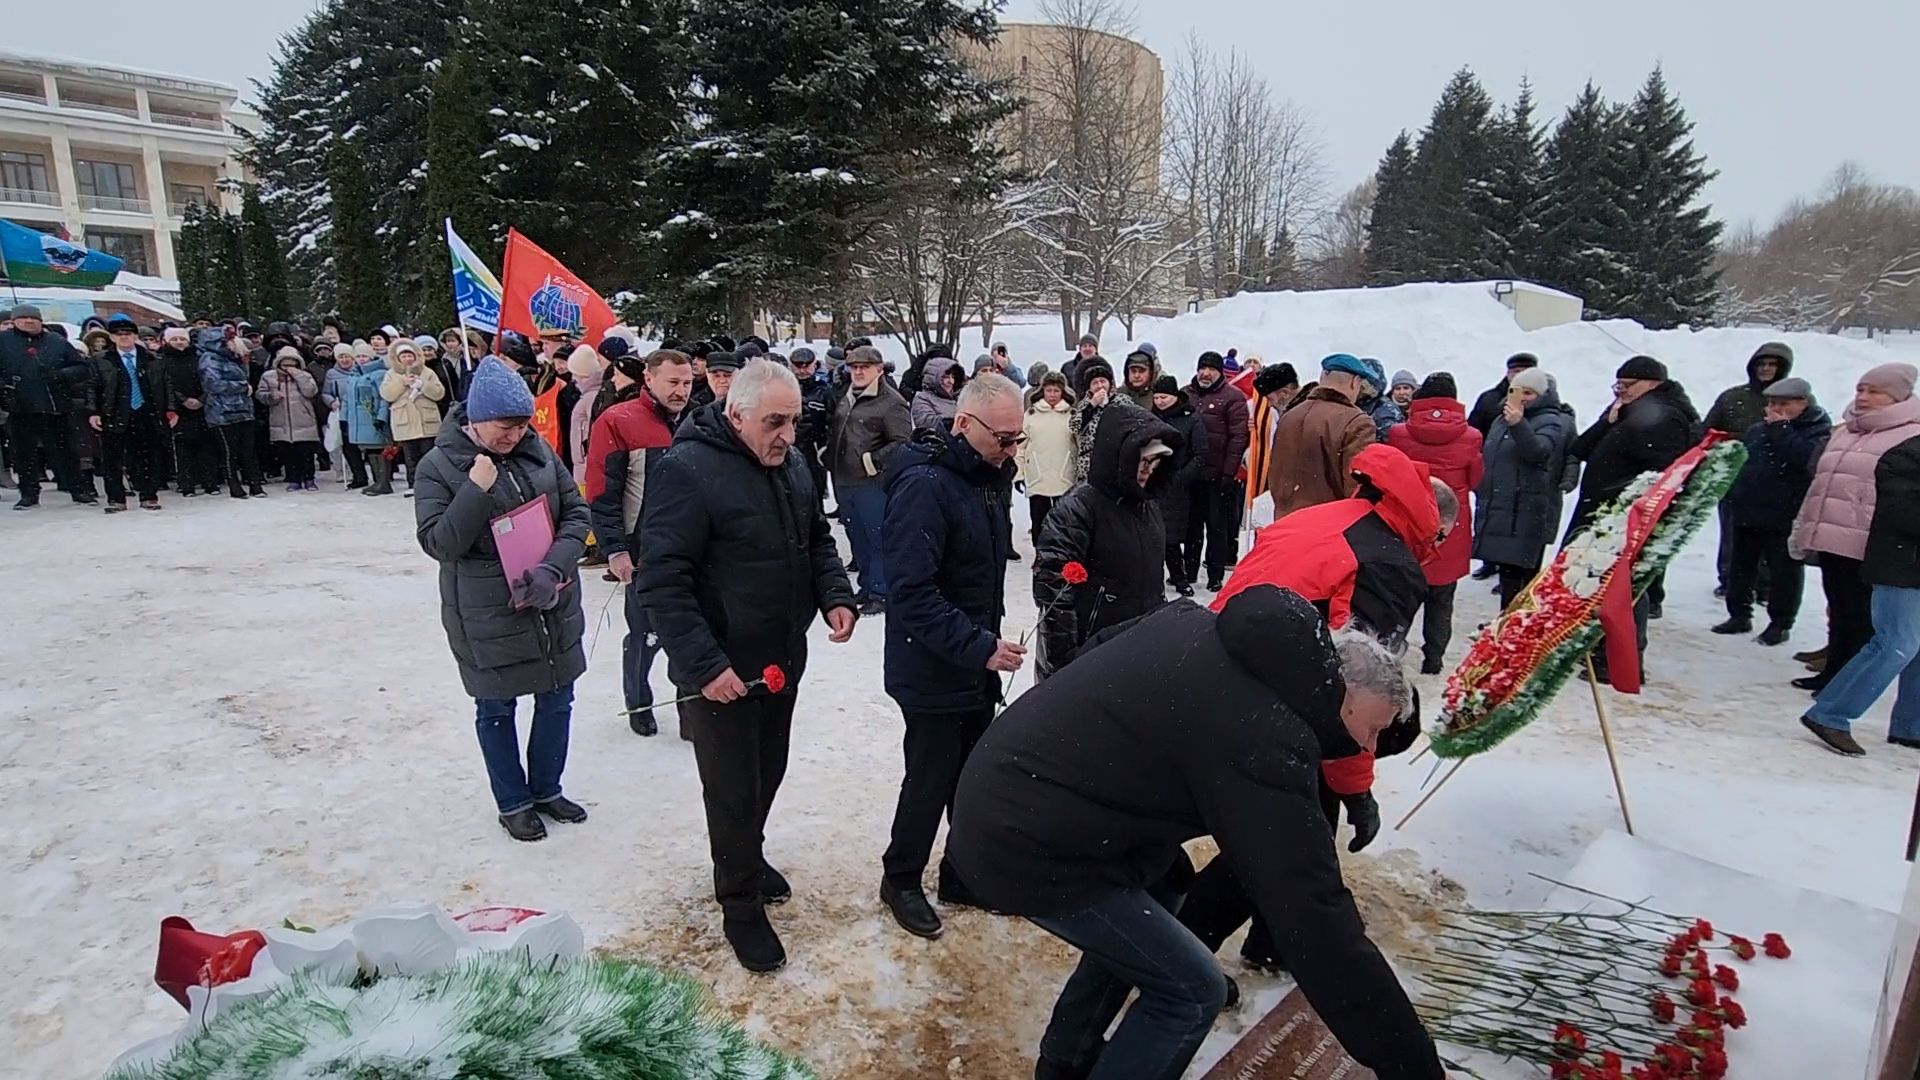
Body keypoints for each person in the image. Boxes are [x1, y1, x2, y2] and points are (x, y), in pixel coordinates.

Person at [945, 585, 1446, 1080]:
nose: (1365, 747)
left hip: (1011, 791)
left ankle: (1066, 1059)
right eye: (1374, 730)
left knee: (1165, 884)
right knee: (1191, 991)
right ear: (1346, 694)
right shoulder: (1266, 733)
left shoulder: (1200, 627)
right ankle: (1073, 1058)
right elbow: (1312, 910)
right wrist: (1411, 1064)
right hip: (1023, 841)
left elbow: (1095, 662)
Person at [1186, 444, 1443, 975]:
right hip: (1267, 698)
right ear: (1430, 527)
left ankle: (1269, 939)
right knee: (1283, 843)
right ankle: (1180, 958)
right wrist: (1358, 788)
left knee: (1287, 837)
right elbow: (1357, 693)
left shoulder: (1326, 516)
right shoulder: (1388, 565)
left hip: (1218, 666)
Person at [638, 360, 859, 973]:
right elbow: (662, 580)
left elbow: (816, 539)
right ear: (735, 415)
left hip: (781, 656)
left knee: (768, 771)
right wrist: (705, 666)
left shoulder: (789, 464)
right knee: (733, 789)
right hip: (723, 669)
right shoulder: (687, 470)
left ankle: (748, 856)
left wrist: (835, 595)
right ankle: (739, 903)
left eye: (793, 421)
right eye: (774, 422)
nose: (787, 433)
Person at [878, 374, 1028, 939]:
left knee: (971, 775)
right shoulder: (924, 485)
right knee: (931, 776)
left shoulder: (984, 475)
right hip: (932, 664)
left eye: (1019, 439)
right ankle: (901, 877)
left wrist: (983, 644)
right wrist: (978, 645)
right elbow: (912, 593)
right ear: (963, 423)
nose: (1011, 450)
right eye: (1003, 438)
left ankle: (962, 872)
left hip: (972, 659)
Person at [414, 358, 590, 841]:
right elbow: (439, 544)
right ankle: (512, 801)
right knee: (497, 708)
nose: (514, 436)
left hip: (550, 600)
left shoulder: (538, 452)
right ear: (475, 418)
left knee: (558, 697)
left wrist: (554, 567)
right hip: (487, 611)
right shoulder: (439, 466)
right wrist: (475, 489)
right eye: (504, 427)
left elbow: (576, 513)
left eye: (521, 425)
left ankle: (547, 788)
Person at [1565, 356, 1702, 682]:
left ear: (1653, 383)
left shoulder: (1665, 417)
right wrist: (1608, 422)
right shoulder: (1628, 411)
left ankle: (1621, 660)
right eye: (1618, 385)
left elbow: (1659, 475)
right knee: (1604, 587)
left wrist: (1625, 503)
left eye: (1629, 385)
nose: (1621, 391)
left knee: (1624, 590)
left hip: (1626, 517)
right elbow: (1580, 447)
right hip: (1604, 512)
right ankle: (1601, 651)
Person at [1797, 402, 1920, 757]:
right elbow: (1902, 514)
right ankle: (1830, 714)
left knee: (1915, 647)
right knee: (1896, 643)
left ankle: (1911, 726)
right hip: (1900, 564)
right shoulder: (1905, 457)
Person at [587, 348, 693, 737]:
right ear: (648, 378)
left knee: (691, 629)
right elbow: (602, 491)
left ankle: (690, 707)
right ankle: (639, 700)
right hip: (644, 547)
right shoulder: (619, 420)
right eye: (673, 382)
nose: (681, 390)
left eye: (686, 382)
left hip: (692, 545)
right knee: (645, 632)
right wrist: (613, 548)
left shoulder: (697, 420)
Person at [1034, 404, 1181, 677]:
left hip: (1133, 646)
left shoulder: (1147, 507)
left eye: (1156, 463)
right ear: (1119, 455)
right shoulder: (1078, 509)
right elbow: (1054, 593)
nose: (1149, 471)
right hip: (1087, 652)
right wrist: (1064, 663)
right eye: (1143, 461)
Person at [1714, 378, 1831, 645]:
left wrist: (1781, 429)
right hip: (1748, 509)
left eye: (1784, 404)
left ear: (1803, 403)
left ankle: (1781, 623)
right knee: (1741, 565)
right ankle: (1739, 614)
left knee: (1783, 572)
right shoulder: (1758, 429)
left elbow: (1805, 459)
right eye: (1772, 403)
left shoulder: (1817, 430)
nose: (1775, 409)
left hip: (1784, 514)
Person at [1387, 373, 1482, 673]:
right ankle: (1434, 658)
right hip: (1449, 524)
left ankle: (1390, 650)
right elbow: (1476, 479)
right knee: (1442, 598)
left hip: (1411, 519)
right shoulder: (1472, 436)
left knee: (1402, 594)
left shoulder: (1399, 433)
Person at [1472, 367, 1576, 612]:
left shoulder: (1551, 420)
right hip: (1503, 505)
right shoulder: (1502, 418)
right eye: (1517, 391)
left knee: (1520, 574)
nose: (1522, 397)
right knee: (1508, 571)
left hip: (1526, 509)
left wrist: (1519, 425)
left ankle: (1515, 626)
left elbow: (1539, 453)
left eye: (1529, 392)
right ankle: (1507, 622)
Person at [1706, 343, 1794, 596]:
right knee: (1733, 531)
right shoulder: (1733, 397)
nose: (1766, 369)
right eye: (1761, 364)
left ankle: (1766, 584)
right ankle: (1731, 580)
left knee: (1771, 537)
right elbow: (1708, 430)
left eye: (1772, 365)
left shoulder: (1795, 400)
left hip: (1776, 479)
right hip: (1736, 475)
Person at [831, 345, 913, 616]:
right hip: (844, 479)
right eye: (853, 367)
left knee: (877, 537)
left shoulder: (892, 402)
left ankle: (881, 591)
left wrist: (873, 461)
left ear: (879, 370)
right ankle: (867, 585)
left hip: (874, 483)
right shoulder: (848, 395)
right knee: (857, 537)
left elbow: (903, 443)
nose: (858, 372)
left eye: (864, 367)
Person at [0, 303, 92, 508]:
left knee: (67, 451)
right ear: (14, 321)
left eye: (33, 318)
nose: (29, 321)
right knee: (24, 455)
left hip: (55, 407)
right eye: (23, 318)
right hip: (21, 408)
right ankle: (29, 494)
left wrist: (61, 376)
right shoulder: (3, 341)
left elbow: (82, 367)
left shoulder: (57, 341)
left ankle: (78, 489)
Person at [1267, 353, 1376, 521]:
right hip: (1328, 527)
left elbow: (1276, 472)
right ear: (1355, 381)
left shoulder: (1290, 415)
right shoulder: (1356, 422)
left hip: (1285, 523)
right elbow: (1357, 487)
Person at [1185, 350, 1251, 591]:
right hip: (1191, 474)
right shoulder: (1187, 394)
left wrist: (1228, 472)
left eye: (1211, 368)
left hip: (1218, 474)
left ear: (1219, 372)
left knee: (1216, 527)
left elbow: (1238, 437)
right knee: (1191, 527)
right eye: (1202, 367)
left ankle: (1214, 575)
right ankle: (1188, 571)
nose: (1206, 373)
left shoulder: (1232, 397)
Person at [89, 314, 169, 512]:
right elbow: (93, 387)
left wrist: (170, 410)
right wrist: (93, 412)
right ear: (112, 337)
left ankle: (149, 495)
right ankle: (116, 499)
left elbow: (165, 385)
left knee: (148, 456)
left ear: (135, 336)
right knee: (113, 459)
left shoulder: (151, 358)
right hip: (115, 412)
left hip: (146, 411)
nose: (124, 337)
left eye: (128, 334)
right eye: (118, 334)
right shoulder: (101, 360)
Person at [1150, 375, 1209, 598]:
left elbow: (1201, 453)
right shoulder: (1151, 417)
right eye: (1156, 397)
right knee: (1159, 536)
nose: (1160, 401)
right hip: (1155, 483)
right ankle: (1162, 577)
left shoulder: (1191, 419)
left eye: (1164, 397)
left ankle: (1181, 577)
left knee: (1176, 536)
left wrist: (1182, 477)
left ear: (1175, 396)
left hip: (1181, 487)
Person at [196, 328, 266, 499]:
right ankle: (234, 486)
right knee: (230, 452)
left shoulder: (235, 359)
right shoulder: (209, 359)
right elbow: (213, 384)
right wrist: (242, 387)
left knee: (248, 450)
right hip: (222, 413)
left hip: (243, 410)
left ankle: (255, 484)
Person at [158, 326, 219, 497]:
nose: (179, 342)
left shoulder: (198, 358)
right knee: (182, 449)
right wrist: (182, 400)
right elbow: (164, 385)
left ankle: (210, 482)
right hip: (177, 410)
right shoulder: (162, 361)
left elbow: (209, 380)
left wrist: (201, 399)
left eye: (182, 339)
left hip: (202, 408)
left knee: (207, 447)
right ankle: (186, 484)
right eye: (174, 339)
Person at [1017, 370, 1076, 547]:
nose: (1052, 395)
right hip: (1037, 476)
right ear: (1042, 391)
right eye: (1048, 390)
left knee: (1064, 522)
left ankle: (1062, 557)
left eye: (1056, 391)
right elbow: (1020, 446)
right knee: (1038, 522)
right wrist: (1019, 474)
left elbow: (1079, 446)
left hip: (1064, 476)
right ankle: (1040, 556)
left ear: (1063, 392)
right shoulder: (1030, 415)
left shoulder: (1072, 415)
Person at [379, 339, 446, 496]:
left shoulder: (427, 372)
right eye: (404, 356)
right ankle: (413, 484)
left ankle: (433, 485)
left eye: (410, 355)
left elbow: (439, 393)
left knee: (429, 455)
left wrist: (423, 385)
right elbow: (386, 394)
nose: (408, 359)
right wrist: (402, 383)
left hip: (426, 422)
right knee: (411, 457)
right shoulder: (391, 374)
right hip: (405, 422)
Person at [255, 346, 322, 492]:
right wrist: (271, 396)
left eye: (292, 365)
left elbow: (311, 392)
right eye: (285, 365)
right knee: (288, 454)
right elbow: (260, 394)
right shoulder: (268, 376)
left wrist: (298, 376)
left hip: (304, 420)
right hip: (281, 421)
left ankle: (309, 478)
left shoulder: (305, 375)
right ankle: (293, 479)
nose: (288, 368)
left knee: (306, 453)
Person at [341, 342, 395, 496]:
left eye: (364, 355)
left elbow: (384, 397)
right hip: (358, 420)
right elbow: (347, 400)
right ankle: (377, 481)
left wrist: (381, 417)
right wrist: (344, 418)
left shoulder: (379, 374)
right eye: (358, 356)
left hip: (373, 418)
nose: (361, 359)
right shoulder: (353, 376)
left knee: (379, 448)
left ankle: (383, 482)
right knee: (370, 450)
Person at [1244, 362, 1300, 505]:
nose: (1268, 404)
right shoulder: (1284, 410)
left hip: (1300, 486)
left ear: (1285, 393)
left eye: (1269, 399)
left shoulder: (1304, 411)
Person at [790, 346, 836, 510]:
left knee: (815, 498)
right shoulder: (785, 389)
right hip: (789, 448)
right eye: (798, 366)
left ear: (814, 366)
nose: (802, 370)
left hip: (814, 450)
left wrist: (825, 447)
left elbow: (832, 422)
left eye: (806, 366)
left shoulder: (824, 391)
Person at [1067, 356, 1127, 485]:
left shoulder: (1122, 401)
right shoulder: (1084, 405)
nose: (1100, 386)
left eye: (1103, 381)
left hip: (1115, 462)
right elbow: (1074, 427)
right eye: (1095, 383)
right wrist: (1091, 406)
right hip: (1089, 464)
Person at [322, 343, 370, 489]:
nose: (344, 360)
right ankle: (359, 476)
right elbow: (325, 392)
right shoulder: (331, 374)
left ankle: (379, 475)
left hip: (361, 412)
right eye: (341, 357)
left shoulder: (360, 370)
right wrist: (331, 402)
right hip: (343, 413)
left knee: (367, 445)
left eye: (347, 356)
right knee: (349, 447)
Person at [1467, 352, 1539, 435]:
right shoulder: (1488, 398)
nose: (1521, 376)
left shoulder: (1544, 399)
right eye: (1516, 371)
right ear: (1508, 373)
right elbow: (1473, 430)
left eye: (1526, 372)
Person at [910, 355, 966, 433]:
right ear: (934, 378)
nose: (951, 381)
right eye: (946, 377)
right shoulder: (922, 399)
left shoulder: (960, 399)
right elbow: (926, 423)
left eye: (953, 377)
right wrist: (957, 422)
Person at [1371, 368, 1417, 441]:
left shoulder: (1421, 406)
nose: (1402, 392)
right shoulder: (1384, 408)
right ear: (1392, 391)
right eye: (1398, 389)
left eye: (1406, 388)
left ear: (1413, 389)